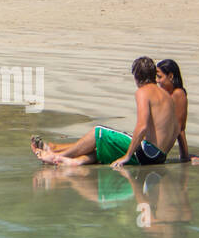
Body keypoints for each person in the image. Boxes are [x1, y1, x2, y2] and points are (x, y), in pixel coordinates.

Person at [31, 57, 179, 167]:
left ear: (136, 77)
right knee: (104, 146)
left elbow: (142, 127)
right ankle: (73, 162)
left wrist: (127, 157)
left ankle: (56, 155)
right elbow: (177, 128)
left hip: (147, 154)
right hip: (159, 156)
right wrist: (165, 153)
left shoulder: (143, 92)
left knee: (98, 132)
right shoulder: (167, 95)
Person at [155, 59, 199, 163]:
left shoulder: (178, 94)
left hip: (155, 152)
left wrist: (185, 157)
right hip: (152, 148)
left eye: (160, 77)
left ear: (171, 76)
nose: (157, 80)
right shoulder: (167, 95)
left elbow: (180, 128)